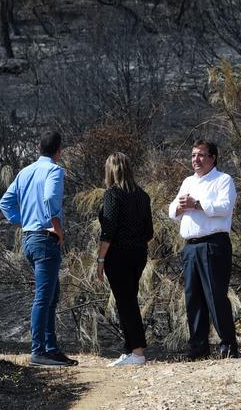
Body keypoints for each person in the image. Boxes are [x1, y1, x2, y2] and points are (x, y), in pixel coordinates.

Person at [0, 131, 78, 367]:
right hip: (45, 238)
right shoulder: (54, 170)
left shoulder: (25, 172)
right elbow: (51, 198)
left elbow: (5, 202)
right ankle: (39, 350)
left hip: (29, 239)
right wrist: (57, 228)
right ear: (59, 150)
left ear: (37, 147)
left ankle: (51, 348)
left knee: (51, 295)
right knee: (44, 297)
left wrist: (23, 221)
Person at [168, 139, 241, 359]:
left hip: (213, 244)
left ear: (213, 157)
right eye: (193, 155)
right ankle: (198, 347)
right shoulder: (188, 181)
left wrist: (197, 204)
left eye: (201, 155)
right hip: (190, 246)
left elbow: (224, 207)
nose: (196, 160)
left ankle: (228, 345)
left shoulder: (223, 180)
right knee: (193, 298)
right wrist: (180, 207)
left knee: (215, 295)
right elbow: (173, 210)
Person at [96, 152, 153, 366]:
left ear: (111, 170)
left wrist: (101, 260)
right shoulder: (143, 195)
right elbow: (149, 232)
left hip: (118, 254)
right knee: (129, 299)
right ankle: (130, 350)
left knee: (125, 301)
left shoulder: (113, 194)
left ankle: (137, 353)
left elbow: (108, 229)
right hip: (139, 253)